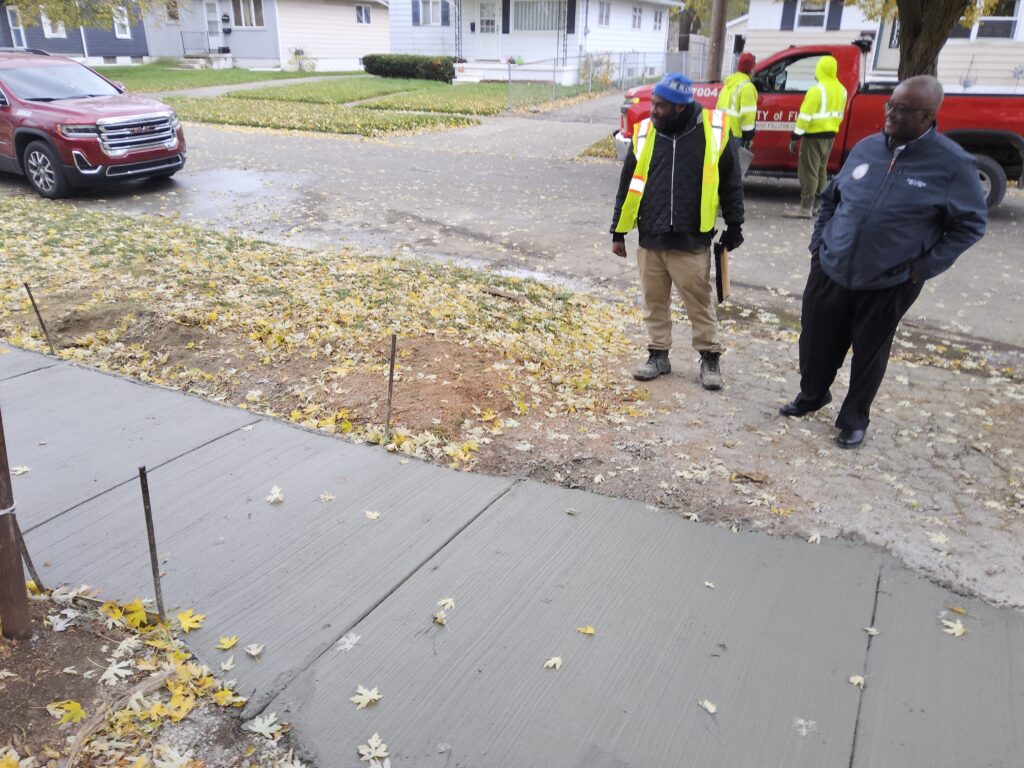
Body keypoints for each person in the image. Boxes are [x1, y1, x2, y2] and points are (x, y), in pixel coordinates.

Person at [779, 75, 987, 448]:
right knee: (815, 339)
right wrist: (818, 244)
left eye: (903, 109)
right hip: (831, 266)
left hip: (891, 279)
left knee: (869, 351)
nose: (890, 114)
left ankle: (854, 418)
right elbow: (832, 198)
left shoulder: (953, 165)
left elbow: (970, 225)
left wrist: (921, 268)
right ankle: (812, 394)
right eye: (890, 104)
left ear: (928, 117)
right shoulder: (866, 148)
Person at [611, 72, 745, 391]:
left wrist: (735, 225)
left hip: (692, 239)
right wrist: (617, 231)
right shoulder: (645, 133)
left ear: (681, 108)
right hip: (651, 237)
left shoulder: (714, 131)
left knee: (699, 303)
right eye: (653, 103)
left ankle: (710, 358)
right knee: (653, 302)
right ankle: (658, 355)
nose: (653, 110)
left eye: (660, 106)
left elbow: (731, 183)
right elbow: (627, 184)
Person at [784, 55, 848, 219]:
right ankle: (816, 206)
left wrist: (795, 135)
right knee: (821, 169)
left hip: (813, 136)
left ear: (820, 69)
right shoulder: (842, 90)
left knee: (809, 171)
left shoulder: (816, 90)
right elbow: (840, 114)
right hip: (830, 135)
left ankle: (805, 207)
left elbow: (805, 116)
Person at [717, 52, 758, 149]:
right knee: (736, 163)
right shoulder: (747, 87)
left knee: (724, 164)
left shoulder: (727, 85)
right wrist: (749, 137)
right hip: (735, 135)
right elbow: (747, 117)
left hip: (722, 133)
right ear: (751, 70)